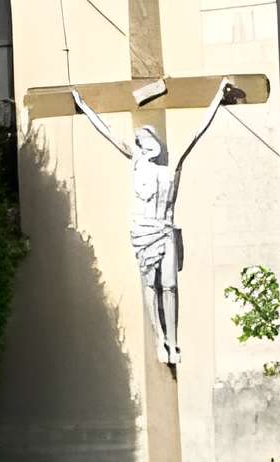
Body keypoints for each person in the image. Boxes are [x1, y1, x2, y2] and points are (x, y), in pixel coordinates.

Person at [67, 83, 243, 370]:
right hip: (143, 230)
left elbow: (196, 134)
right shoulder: (137, 165)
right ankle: (160, 338)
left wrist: (217, 99)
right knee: (151, 285)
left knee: (170, 285)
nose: (143, 140)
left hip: (165, 229)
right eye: (140, 139)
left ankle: (173, 341)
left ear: (157, 144)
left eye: (147, 137)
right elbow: (109, 134)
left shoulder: (170, 170)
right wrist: (85, 106)